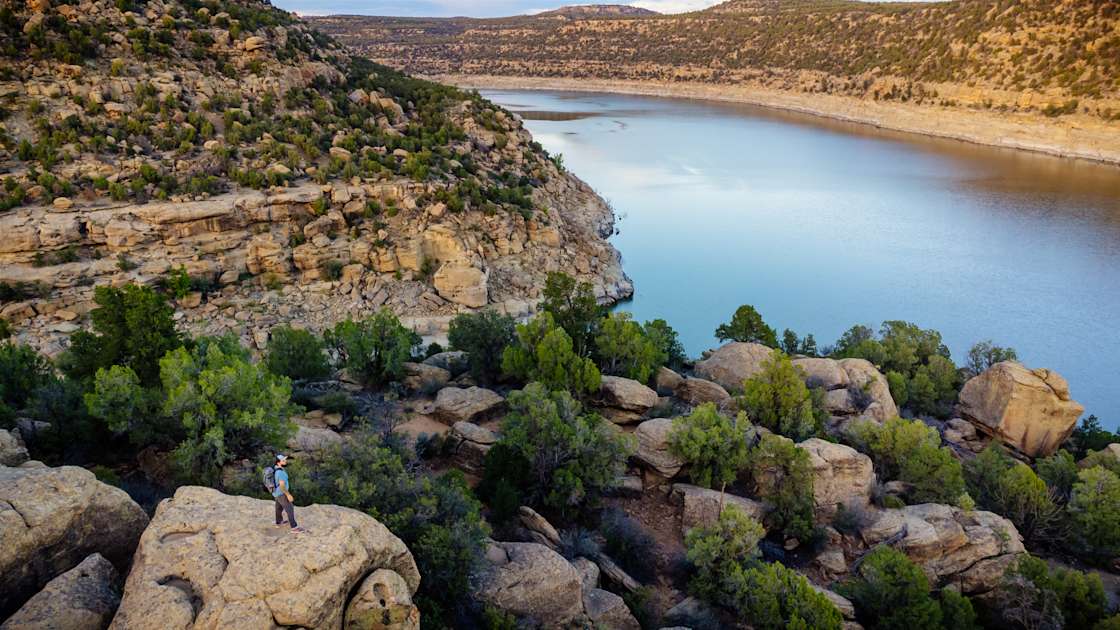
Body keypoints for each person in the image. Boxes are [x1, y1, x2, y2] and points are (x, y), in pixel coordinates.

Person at [272, 454, 305, 534]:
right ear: (278, 463)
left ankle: (278, 522)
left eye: (285, 460)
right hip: (282, 493)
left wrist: (287, 456)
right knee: (290, 508)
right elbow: (282, 485)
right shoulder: (281, 473)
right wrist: (288, 495)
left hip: (276, 493)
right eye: (283, 461)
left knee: (278, 508)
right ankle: (294, 527)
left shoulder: (275, 468)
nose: (285, 461)